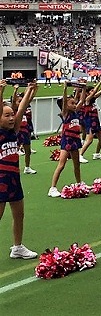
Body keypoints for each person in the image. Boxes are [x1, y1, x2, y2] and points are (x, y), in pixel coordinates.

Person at [0, 80, 38, 259]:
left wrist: (30, 90)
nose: (11, 118)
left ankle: (17, 247)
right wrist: (1, 90)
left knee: (19, 214)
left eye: (12, 115)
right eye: (6, 115)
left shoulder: (13, 132)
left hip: (14, 180)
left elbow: (21, 109)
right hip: (0, 181)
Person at [48, 82, 87, 197]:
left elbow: (82, 100)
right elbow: (65, 102)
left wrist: (83, 89)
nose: (75, 105)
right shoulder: (65, 113)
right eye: (72, 103)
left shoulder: (76, 112)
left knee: (76, 164)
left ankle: (79, 183)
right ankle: (53, 187)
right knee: (62, 164)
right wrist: (65, 89)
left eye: (75, 103)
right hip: (67, 141)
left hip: (75, 140)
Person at [79, 78, 101, 163]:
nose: (93, 91)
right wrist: (100, 81)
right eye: (91, 90)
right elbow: (95, 92)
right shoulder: (87, 100)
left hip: (95, 121)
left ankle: (97, 154)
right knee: (90, 139)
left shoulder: (93, 100)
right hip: (89, 121)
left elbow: (100, 91)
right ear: (87, 92)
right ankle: (80, 154)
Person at [12, 84, 38, 174]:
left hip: (25, 131)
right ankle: (14, 167)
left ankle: (27, 167)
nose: (21, 102)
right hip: (17, 133)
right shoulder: (14, 110)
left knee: (28, 151)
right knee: (14, 152)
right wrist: (15, 90)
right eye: (19, 101)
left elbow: (29, 98)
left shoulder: (24, 108)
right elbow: (13, 101)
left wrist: (33, 90)